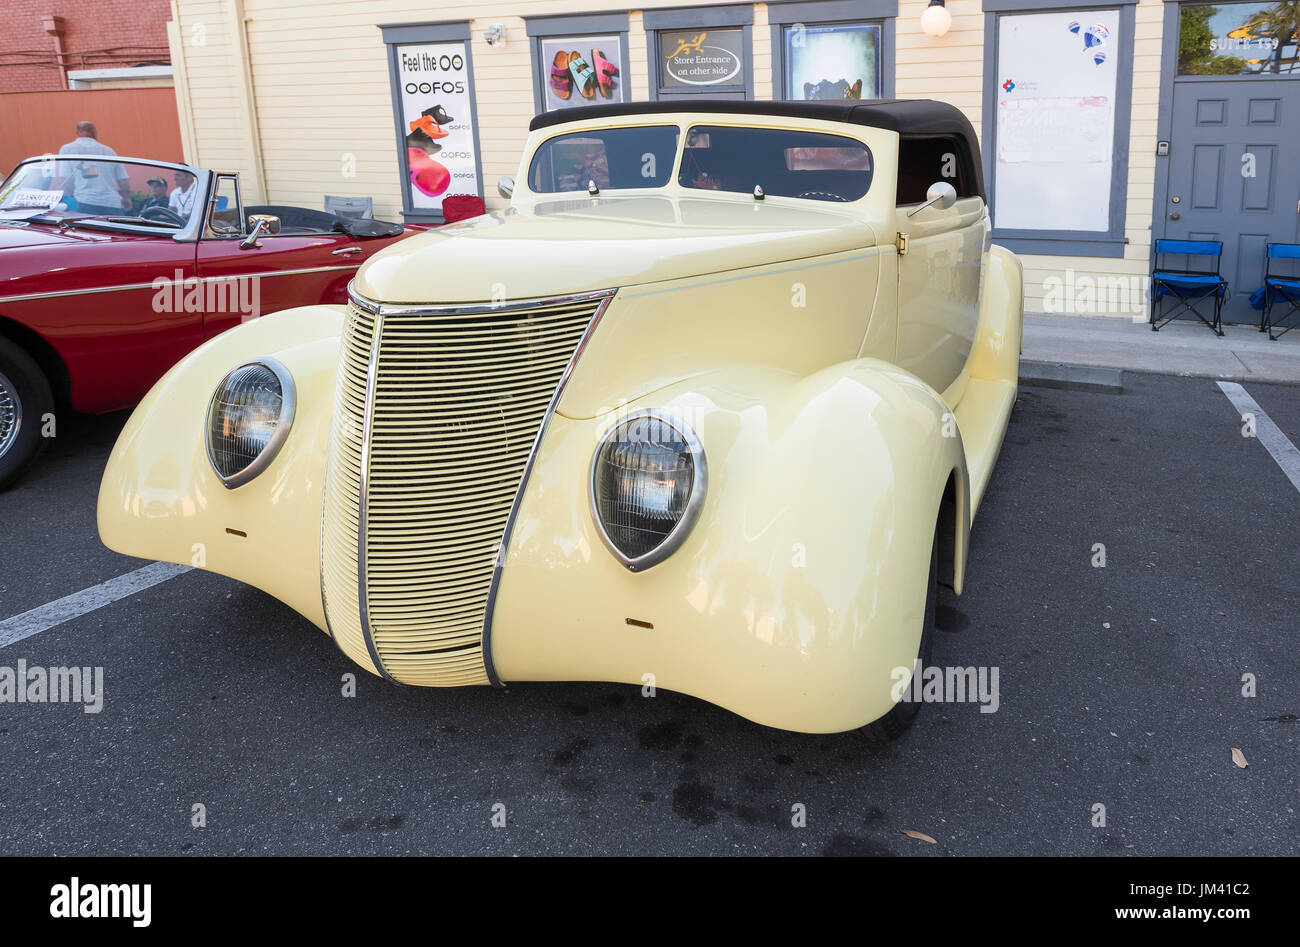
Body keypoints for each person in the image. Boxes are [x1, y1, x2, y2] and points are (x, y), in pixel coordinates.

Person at [54, 121, 131, 216]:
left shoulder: (67, 149)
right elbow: (123, 180)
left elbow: (65, 178)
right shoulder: (109, 151)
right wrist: (127, 198)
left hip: (85, 202)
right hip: (112, 204)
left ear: (78, 132)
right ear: (94, 132)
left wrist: (75, 197)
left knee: (86, 231)